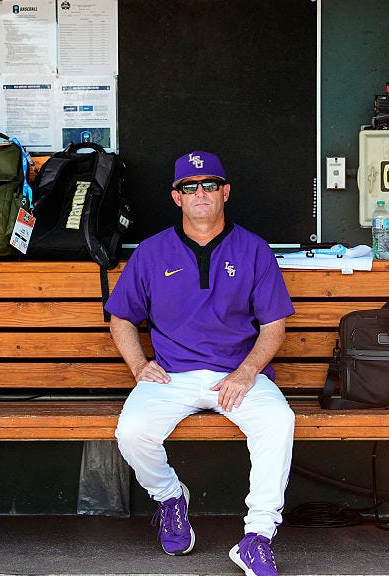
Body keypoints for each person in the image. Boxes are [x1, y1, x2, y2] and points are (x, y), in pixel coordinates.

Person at [104, 150, 295, 576]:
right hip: (172, 375)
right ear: (177, 197)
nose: (200, 193)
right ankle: (170, 496)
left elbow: (274, 326)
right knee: (132, 432)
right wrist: (139, 367)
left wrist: (246, 373)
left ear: (225, 192)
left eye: (209, 184)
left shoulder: (253, 249)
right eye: (189, 186)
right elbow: (121, 318)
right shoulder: (153, 252)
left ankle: (257, 537)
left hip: (239, 374)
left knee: (279, 422)